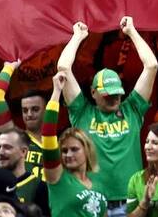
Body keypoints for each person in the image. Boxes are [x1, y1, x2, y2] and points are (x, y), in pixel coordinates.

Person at [57, 17, 158, 217]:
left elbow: (152, 66)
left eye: (117, 94)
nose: (114, 99)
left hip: (131, 200)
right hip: (92, 201)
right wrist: (77, 37)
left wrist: (131, 32)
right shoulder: (81, 112)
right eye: (108, 95)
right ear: (93, 93)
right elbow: (63, 68)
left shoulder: (132, 109)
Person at [42, 74, 110, 216]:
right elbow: (48, 133)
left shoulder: (99, 183)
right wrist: (56, 92)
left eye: (74, 149)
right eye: (64, 150)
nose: (68, 154)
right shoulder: (57, 177)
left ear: (87, 150)